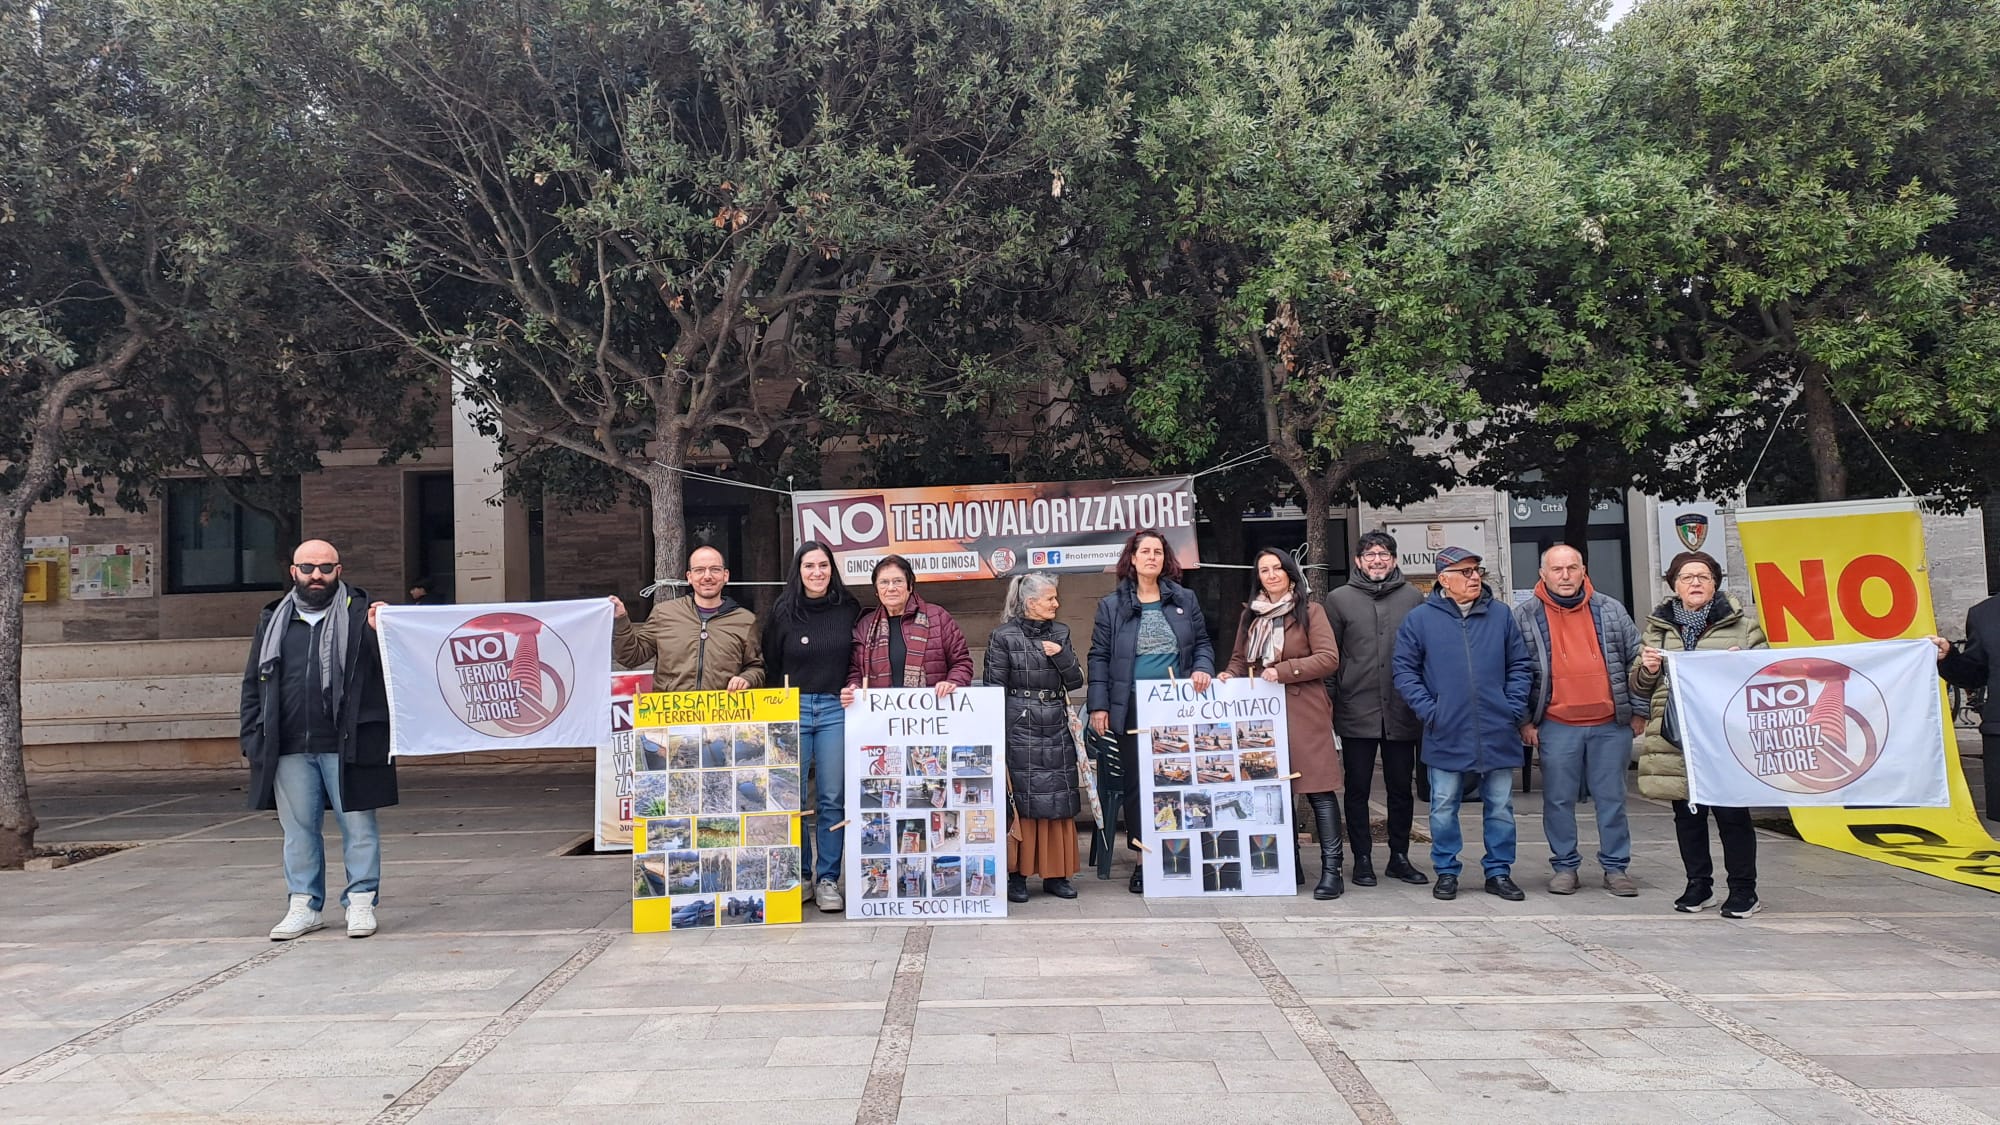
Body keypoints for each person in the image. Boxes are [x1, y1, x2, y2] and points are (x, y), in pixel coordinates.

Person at [240, 540, 397, 940]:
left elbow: (396, 670)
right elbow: (253, 683)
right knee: (298, 830)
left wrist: (386, 632)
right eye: (307, 567)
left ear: (339, 571)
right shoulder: (273, 619)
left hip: (349, 742)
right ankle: (304, 905)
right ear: (293, 571)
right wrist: (252, 738)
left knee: (359, 825)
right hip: (288, 743)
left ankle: (361, 902)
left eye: (325, 568)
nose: (316, 576)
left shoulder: (364, 615)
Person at [1632, 550, 1769, 917]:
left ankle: (1744, 890)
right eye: (1687, 577)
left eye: (1703, 577)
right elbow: (1641, 686)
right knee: (1687, 815)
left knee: (1732, 815)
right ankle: (1698, 885)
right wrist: (1646, 669)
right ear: (1674, 585)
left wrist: (1744, 666)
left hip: (1725, 735)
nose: (1695, 582)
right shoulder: (1658, 628)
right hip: (1677, 736)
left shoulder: (1743, 626)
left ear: (1715, 584)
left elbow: (1766, 676)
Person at [1392, 545, 1533, 903]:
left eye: (1476, 571)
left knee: (1500, 805)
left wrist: (1512, 707)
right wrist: (1431, 711)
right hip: (1446, 729)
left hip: (1497, 727)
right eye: (1466, 572)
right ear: (1444, 579)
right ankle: (1447, 871)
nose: (1474, 578)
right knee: (1442, 804)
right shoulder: (1420, 620)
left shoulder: (1501, 615)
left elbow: (1520, 665)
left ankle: (1499, 871)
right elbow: (1404, 672)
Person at [1512, 544, 1647, 898]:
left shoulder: (1611, 610)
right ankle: (1565, 866)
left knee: (1612, 799)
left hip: (1610, 723)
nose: (1566, 575)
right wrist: (1525, 721)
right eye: (1557, 569)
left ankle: (1616, 867)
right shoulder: (1524, 616)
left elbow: (1639, 662)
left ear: (1583, 570)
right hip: (1556, 723)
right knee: (1557, 800)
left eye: (1572, 568)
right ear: (1543, 574)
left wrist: (1639, 710)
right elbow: (1515, 673)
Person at [1087, 528, 1215, 894]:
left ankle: (1184, 853)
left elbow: (1203, 642)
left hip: (1178, 709)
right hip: (1132, 709)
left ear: (1165, 559)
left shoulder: (1184, 599)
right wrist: (1098, 705)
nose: (1152, 557)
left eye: (1158, 552)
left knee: (1181, 780)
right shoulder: (1111, 606)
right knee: (1139, 785)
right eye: (1145, 551)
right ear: (1132, 558)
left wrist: (1203, 667)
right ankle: (1145, 860)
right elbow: (1098, 657)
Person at [1220, 549, 1344, 897]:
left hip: (1304, 712)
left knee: (1318, 790)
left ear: (1290, 573)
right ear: (1258, 577)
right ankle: (1288, 867)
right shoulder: (1251, 616)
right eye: (1264, 570)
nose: (1271, 575)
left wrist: (1285, 671)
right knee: (1272, 794)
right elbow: (1239, 659)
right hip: (1262, 715)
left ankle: (1332, 871)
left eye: (1277, 568)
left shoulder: (1310, 611)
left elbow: (1328, 658)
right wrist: (1229, 675)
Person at [1324, 530, 1429, 887]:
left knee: (1402, 788)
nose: (1377, 560)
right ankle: (1362, 859)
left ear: (1395, 559)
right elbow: (1331, 658)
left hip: (1403, 709)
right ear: (1358, 561)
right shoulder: (1339, 600)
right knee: (1357, 790)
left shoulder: (1414, 598)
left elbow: (1425, 654)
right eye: (1370, 555)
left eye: (1384, 554)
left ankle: (1399, 856)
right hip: (1356, 709)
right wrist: (1329, 705)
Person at [763, 542, 860, 913]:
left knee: (832, 797)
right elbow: (771, 661)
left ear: (831, 569)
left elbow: (857, 658)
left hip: (836, 707)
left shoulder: (848, 608)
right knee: (792, 797)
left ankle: (828, 879)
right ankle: (800, 875)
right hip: (793, 707)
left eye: (823, 565)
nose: (817, 572)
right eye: (809, 566)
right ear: (798, 570)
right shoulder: (782, 611)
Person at [983, 573, 1086, 902]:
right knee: (1020, 799)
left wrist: (1061, 655)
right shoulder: (1003, 637)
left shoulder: (1062, 633)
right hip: (1018, 722)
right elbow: (993, 688)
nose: (1056, 604)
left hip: (1055, 720)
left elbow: (1075, 681)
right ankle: (1017, 875)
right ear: (1031, 603)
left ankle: (1057, 875)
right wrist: (996, 732)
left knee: (1058, 795)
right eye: (1050, 598)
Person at [610, 545, 764, 692]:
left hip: (723, 714)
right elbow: (631, 657)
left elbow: (757, 667)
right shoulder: (664, 614)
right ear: (689, 577)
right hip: (672, 714)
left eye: (715, 570)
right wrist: (621, 619)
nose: (707, 576)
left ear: (726, 576)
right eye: (699, 570)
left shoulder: (745, 621)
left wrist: (747, 678)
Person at [841, 555, 973, 698]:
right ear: (877, 590)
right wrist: (853, 688)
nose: (891, 588)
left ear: (910, 586)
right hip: (881, 715)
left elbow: (961, 662)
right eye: (884, 582)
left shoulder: (938, 617)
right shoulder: (865, 625)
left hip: (934, 710)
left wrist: (952, 682)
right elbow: (855, 670)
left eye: (898, 581)